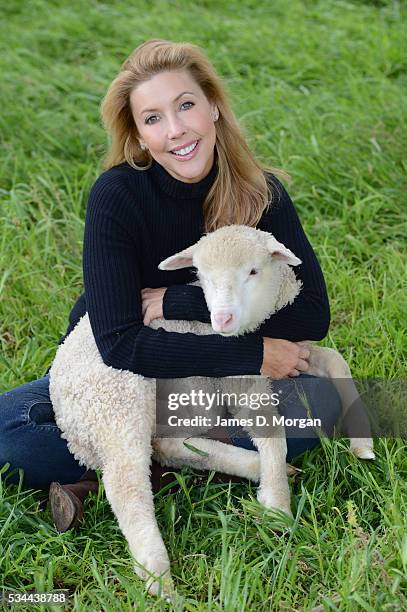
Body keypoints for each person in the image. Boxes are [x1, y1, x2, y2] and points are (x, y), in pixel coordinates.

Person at [0, 39, 341, 531]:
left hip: (214, 387)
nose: (176, 130)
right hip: (127, 379)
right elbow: (119, 341)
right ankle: (176, 463)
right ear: (138, 135)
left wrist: (176, 300)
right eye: (153, 118)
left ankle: (132, 472)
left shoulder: (260, 194)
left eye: (186, 106)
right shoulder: (117, 196)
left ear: (215, 108)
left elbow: (312, 313)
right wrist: (250, 355)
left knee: (326, 406)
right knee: (10, 434)